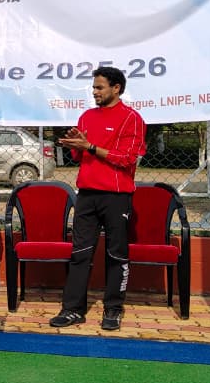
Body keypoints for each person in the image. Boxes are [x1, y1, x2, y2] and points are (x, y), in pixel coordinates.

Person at [49, 66, 147, 333]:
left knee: (116, 254)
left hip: (116, 196)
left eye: (99, 87)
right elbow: (79, 156)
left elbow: (127, 159)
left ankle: (113, 309)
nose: (95, 92)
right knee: (80, 253)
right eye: (93, 87)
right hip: (86, 195)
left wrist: (90, 146)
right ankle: (72, 309)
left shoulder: (132, 119)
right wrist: (75, 145)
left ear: (116, 88)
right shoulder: (86, 116)